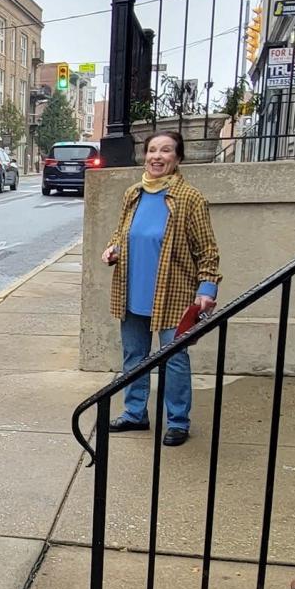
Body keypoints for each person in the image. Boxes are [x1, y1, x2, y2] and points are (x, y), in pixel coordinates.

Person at [101, 130, 221, 446]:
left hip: (174, 295)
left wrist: (207, 289)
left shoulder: (189, 198)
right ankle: (135, 414)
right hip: (132, 290)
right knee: (134, 356)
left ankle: (178, 421)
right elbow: (121, 233)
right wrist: (112, 249)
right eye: (152, 150)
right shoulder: (133, 194)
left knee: (175, 359)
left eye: (165, 150)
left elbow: (207, 250)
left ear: (178, 158)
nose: (157, 156)